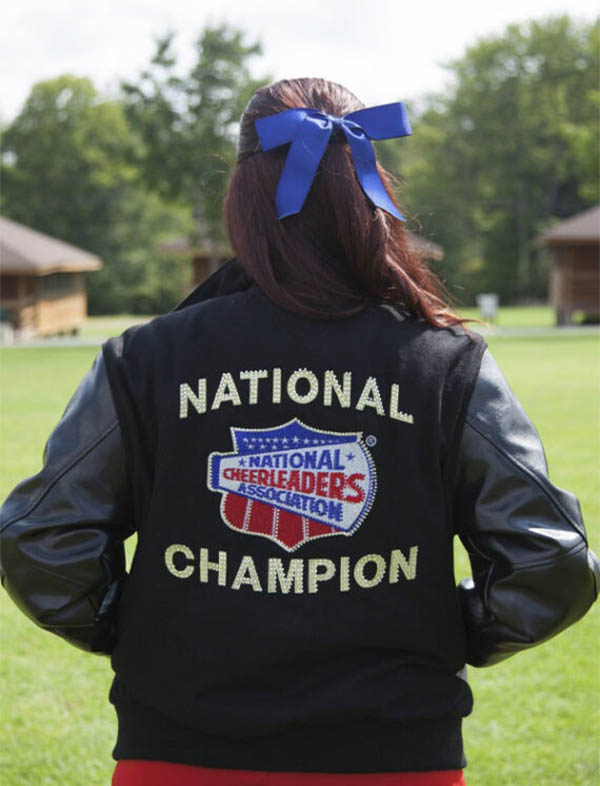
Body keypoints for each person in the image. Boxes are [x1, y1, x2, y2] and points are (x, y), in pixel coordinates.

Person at [1, 77, 598, 786]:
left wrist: (139, 632)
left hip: (178, 755)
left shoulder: (147, 358)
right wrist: (441, 631)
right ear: (367, 192)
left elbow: (41, 544)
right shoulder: (444, 364)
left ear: (241, 199)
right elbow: (550, 562)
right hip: (397, 759)